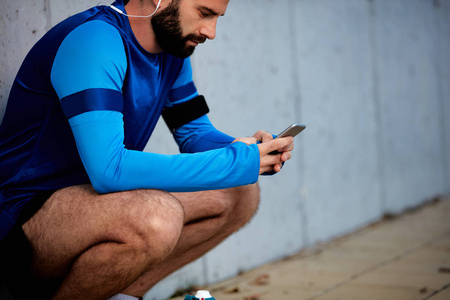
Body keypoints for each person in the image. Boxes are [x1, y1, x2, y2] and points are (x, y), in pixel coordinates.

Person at [0, 0, 294, 299]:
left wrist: (242, 149)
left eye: (217, 17)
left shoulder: (173, 51)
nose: (211, 31)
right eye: (204, 13)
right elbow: (110, 170)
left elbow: (194, 132)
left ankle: (122, 295)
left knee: (240, 191)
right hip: (22, 222)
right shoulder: (93, 42)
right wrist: (232, 163)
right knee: (157, 216)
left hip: (92, 206)